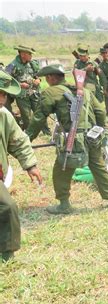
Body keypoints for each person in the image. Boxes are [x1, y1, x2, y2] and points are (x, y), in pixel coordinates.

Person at [26, 64, 108, 214]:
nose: (46, 82)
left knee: (62, 169)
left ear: (50, 78)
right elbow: (100, 111)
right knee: (98, 165)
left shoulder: (51, 92)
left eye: (46, 79)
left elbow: (39, 117)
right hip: (92, 136)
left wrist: (27, 139)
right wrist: (101, 130)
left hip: (72, 139)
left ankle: (64, 204)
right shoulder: (85, 91)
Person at [0, 71, 43, 262]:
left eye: (4, 95)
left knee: (7, 207)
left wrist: (30, 165)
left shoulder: (3, 115)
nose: (2, 99)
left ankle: (7, 253)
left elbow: (17, 140)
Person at [5, 45, 41, 130]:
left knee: (39, 112)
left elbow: (37, 75)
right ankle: (27, 132)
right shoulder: (12, 65)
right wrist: (20, 85)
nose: (31, 56)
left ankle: (45, 131)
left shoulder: (32, 63)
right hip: (21, 95)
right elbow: (6, 80)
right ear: (23, 54)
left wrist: (38, 80)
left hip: (33, 93)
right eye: (30, 54)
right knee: (26, 116)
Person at [98, 47, 108, 122]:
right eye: (103, 54)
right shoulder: (101, 65)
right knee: (107, 103)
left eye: (106, 53)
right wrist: (104, 89)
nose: (105, 55)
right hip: (107, 86)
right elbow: (101, 78)